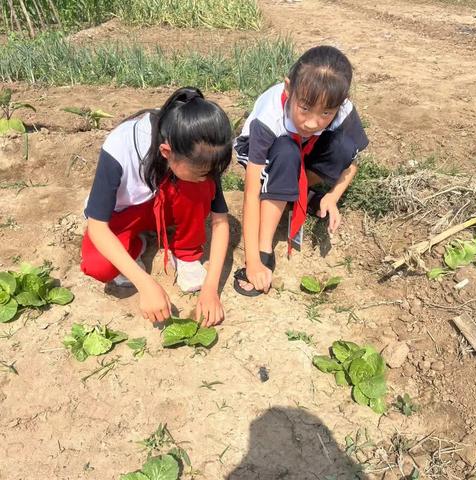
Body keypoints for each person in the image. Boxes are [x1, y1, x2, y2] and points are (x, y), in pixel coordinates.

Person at [80, 87, 232, 326]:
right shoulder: (121, 146)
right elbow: (98, 227)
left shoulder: (201, 147)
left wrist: (211, 289)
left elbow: (220, 221)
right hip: (124, 214)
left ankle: (186, 253)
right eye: (203, 173)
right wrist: (145, 284)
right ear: (166, 151)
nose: (209, 178)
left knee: (198, 186)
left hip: (164, 204)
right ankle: (136, 244)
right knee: (99, 266)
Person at [233, 45, 369, 297]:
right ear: (288, 88)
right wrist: (253, 261)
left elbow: (351, 163)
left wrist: (332, 196)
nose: (312, 122)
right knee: (286, 152)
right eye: (304, 108)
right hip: (271, 154)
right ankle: (266, 246)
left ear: (342, 103)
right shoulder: (269, 119)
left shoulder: (342, 111)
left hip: (304, 152)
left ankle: (299, 193)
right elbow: (251, 192)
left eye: (326, 113)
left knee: (342, 146)